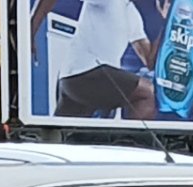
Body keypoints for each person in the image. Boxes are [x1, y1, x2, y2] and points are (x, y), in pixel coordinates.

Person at [32, 0, 165, 120]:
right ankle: (131, 143)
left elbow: (150, 62)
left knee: (67, 137)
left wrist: (166, 21)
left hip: (78, 79)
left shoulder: (131, 12)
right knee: (146, 92)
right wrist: (30, 31)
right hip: (86, 73)